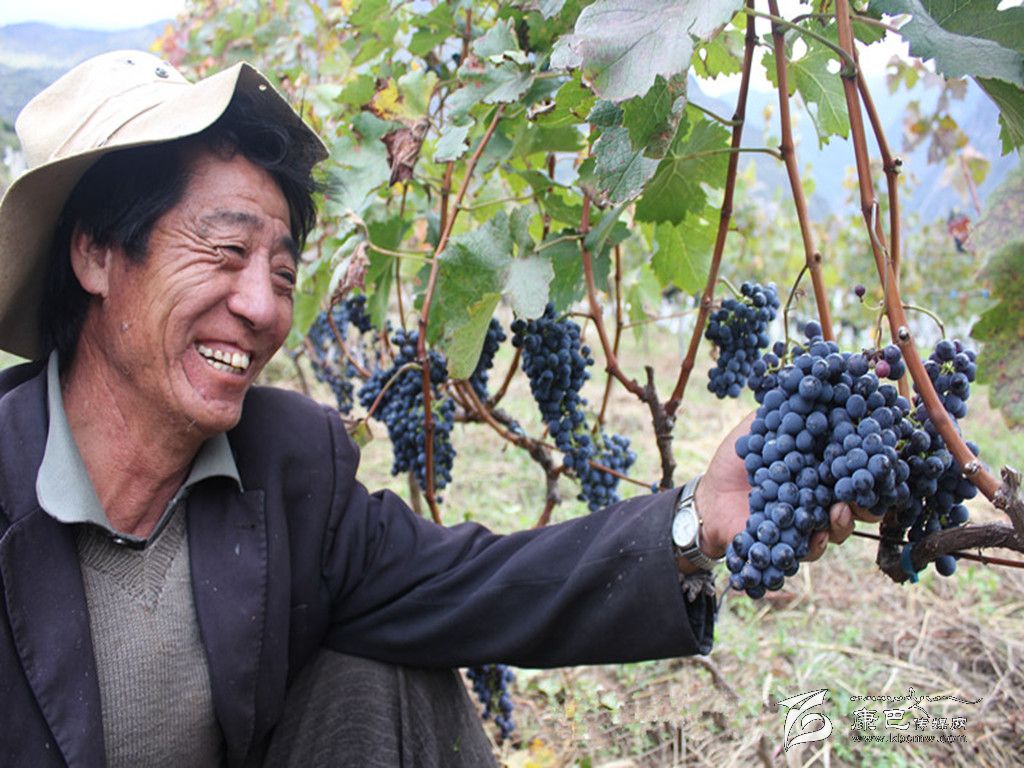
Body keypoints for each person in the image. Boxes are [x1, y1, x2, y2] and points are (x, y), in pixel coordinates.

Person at [0, 51, 865, 767]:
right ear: (96, 255)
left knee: (386, 658)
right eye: (225, 250)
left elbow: (475, 587)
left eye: (284, 273)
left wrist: (695, 522)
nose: (262, 308)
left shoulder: (288, 461)